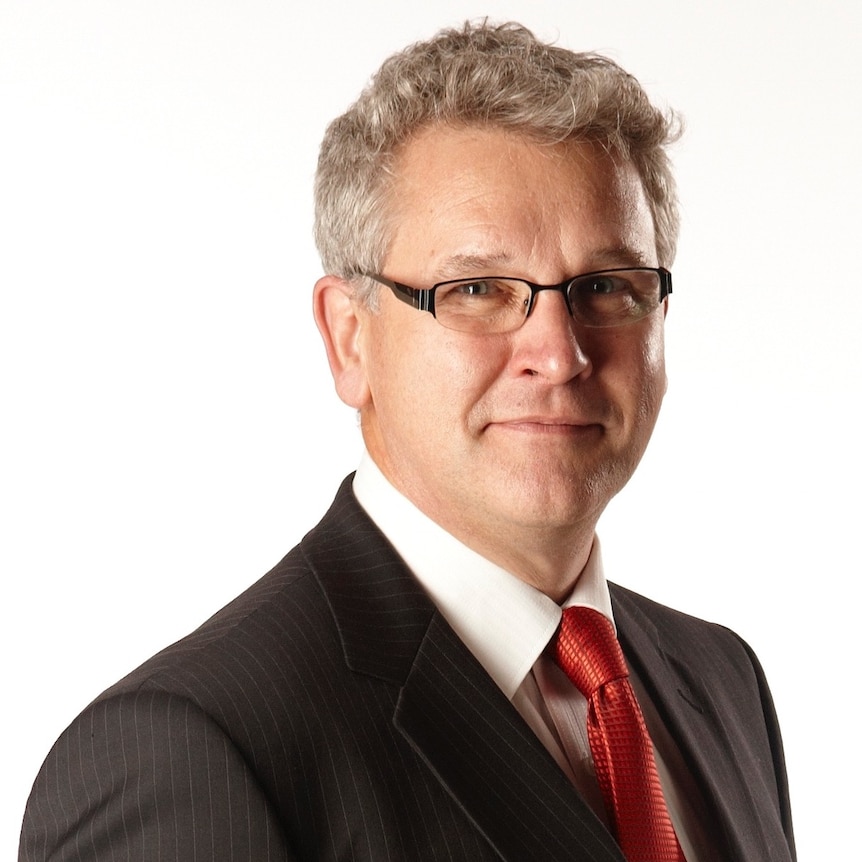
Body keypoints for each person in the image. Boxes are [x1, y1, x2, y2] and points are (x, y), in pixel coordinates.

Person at [19, 21, 795, 862]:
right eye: (477, 289)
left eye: (606, 286)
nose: (558, 352)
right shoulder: (192, 752)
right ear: (350, 339)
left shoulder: (720, 682)